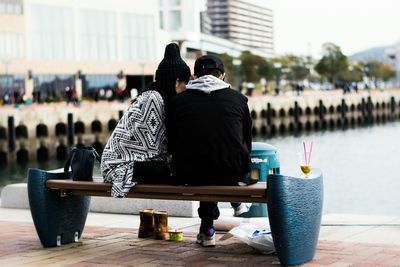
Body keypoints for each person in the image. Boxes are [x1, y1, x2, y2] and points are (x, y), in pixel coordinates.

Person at [168, 55, 253, 247]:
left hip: (188, 174)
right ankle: (233, 205)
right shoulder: (239, 99)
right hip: (232, 172)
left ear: (195, 76)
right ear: (222, 76)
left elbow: (172, 142)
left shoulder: (178, 101)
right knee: (217, 160)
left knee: (204, 163)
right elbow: (246, 140)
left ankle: (207, 230)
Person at [101, 43, 191, 198]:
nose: (187, 88)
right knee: (170, 171)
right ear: (176, 82)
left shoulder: (155, 96)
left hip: (131, 163)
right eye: (186, 83)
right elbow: (162, 146)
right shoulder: (154, 99)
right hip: (119, 166)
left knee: (174, 170)